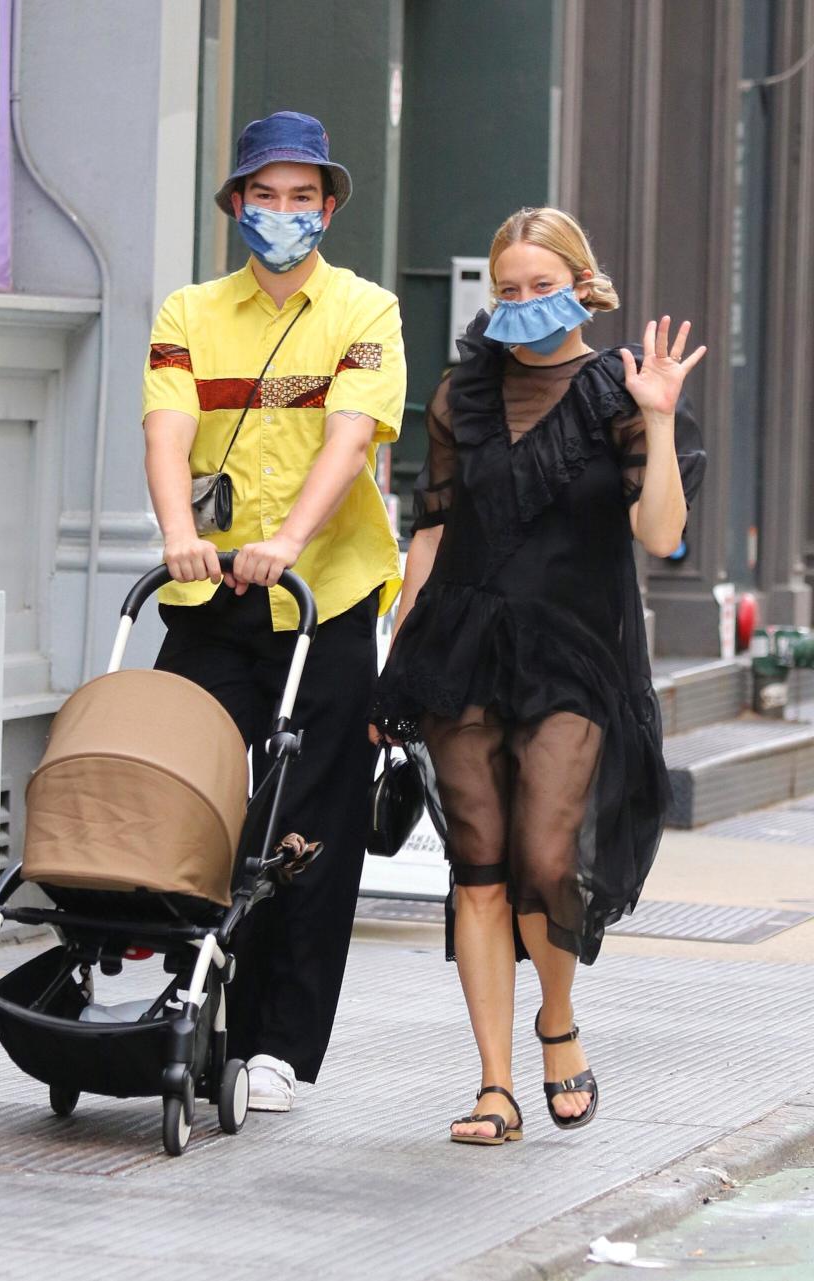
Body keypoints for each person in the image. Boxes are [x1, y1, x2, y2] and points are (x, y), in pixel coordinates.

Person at [370, 207, 706, 1145]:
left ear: (581, 286)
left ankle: (557, 1020)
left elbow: (663, 535)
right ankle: (493, 1083)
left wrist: (659, 418)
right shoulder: (458, 399)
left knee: (547, 859)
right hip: (462, 645)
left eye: (540, 287)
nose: (520, 305)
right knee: (478, 868)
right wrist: (396, 667)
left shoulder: (620, 391)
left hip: (577, 653)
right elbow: (430, 534)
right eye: (506, 290)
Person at [142, 111, 406, 1111]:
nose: (283, 215)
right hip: (209, 596)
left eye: (303, 199)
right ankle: (189, 1001)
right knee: (185, 793)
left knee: (309, 821)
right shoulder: (189, 312)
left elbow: (349, 440)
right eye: (265, 197)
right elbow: (168, 433)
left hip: (323, 598)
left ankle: (279, 1045)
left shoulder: (364, 311)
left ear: (329, 208)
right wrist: (179, 531)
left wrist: (289, 542)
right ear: (236, 206)